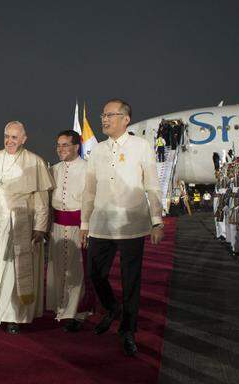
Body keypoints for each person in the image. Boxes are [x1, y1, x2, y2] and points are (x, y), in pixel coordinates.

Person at [80, 99, 164, 356]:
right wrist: (85, 223)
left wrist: (157, 220)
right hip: (101, 224)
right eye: (103, 115)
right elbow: (89, 190)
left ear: (126, 119)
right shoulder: (97, 151)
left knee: (131, 282)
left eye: (110, 115)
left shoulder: (141, 146)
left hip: (132, 224)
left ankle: (128, 330)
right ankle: (112, 307)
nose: (104, 119)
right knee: (95, 273)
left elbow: (152, 184)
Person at [0, 121, 53, 334]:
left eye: (14, 137)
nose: (9, 141)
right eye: (6, 136)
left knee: (15, 271)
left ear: (24, 139)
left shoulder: (35, 162)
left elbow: (42, 199)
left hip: (22, 223)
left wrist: (40, 226)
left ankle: (15, 317)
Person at [46, 130, 95, 332]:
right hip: (57, 226)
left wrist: (86, 227)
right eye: (58, 145)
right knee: (58, 268)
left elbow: (91, 200)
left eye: (65, 145)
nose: (60, 149)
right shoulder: (53, 169)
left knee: (77, 271)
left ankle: (75, 312)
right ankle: (60, 306)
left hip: (79, 226)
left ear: (76, 146)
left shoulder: (88, 168)